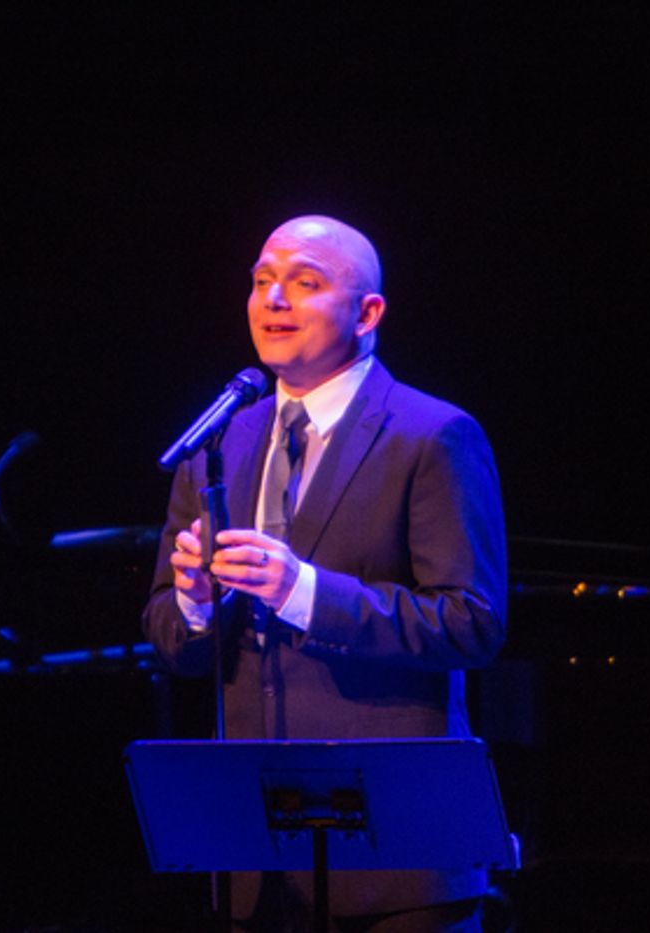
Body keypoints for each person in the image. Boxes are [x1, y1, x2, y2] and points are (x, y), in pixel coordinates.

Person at [142, 215, 507, 933]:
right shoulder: (216, 441)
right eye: (261, 280)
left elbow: (472, 623)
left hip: (397, 862)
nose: (274, 298)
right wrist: (192, 606)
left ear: (368, 312)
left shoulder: (431, 434)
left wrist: (303, 591)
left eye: (305, 283)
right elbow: (173, 643)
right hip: (254, 856)